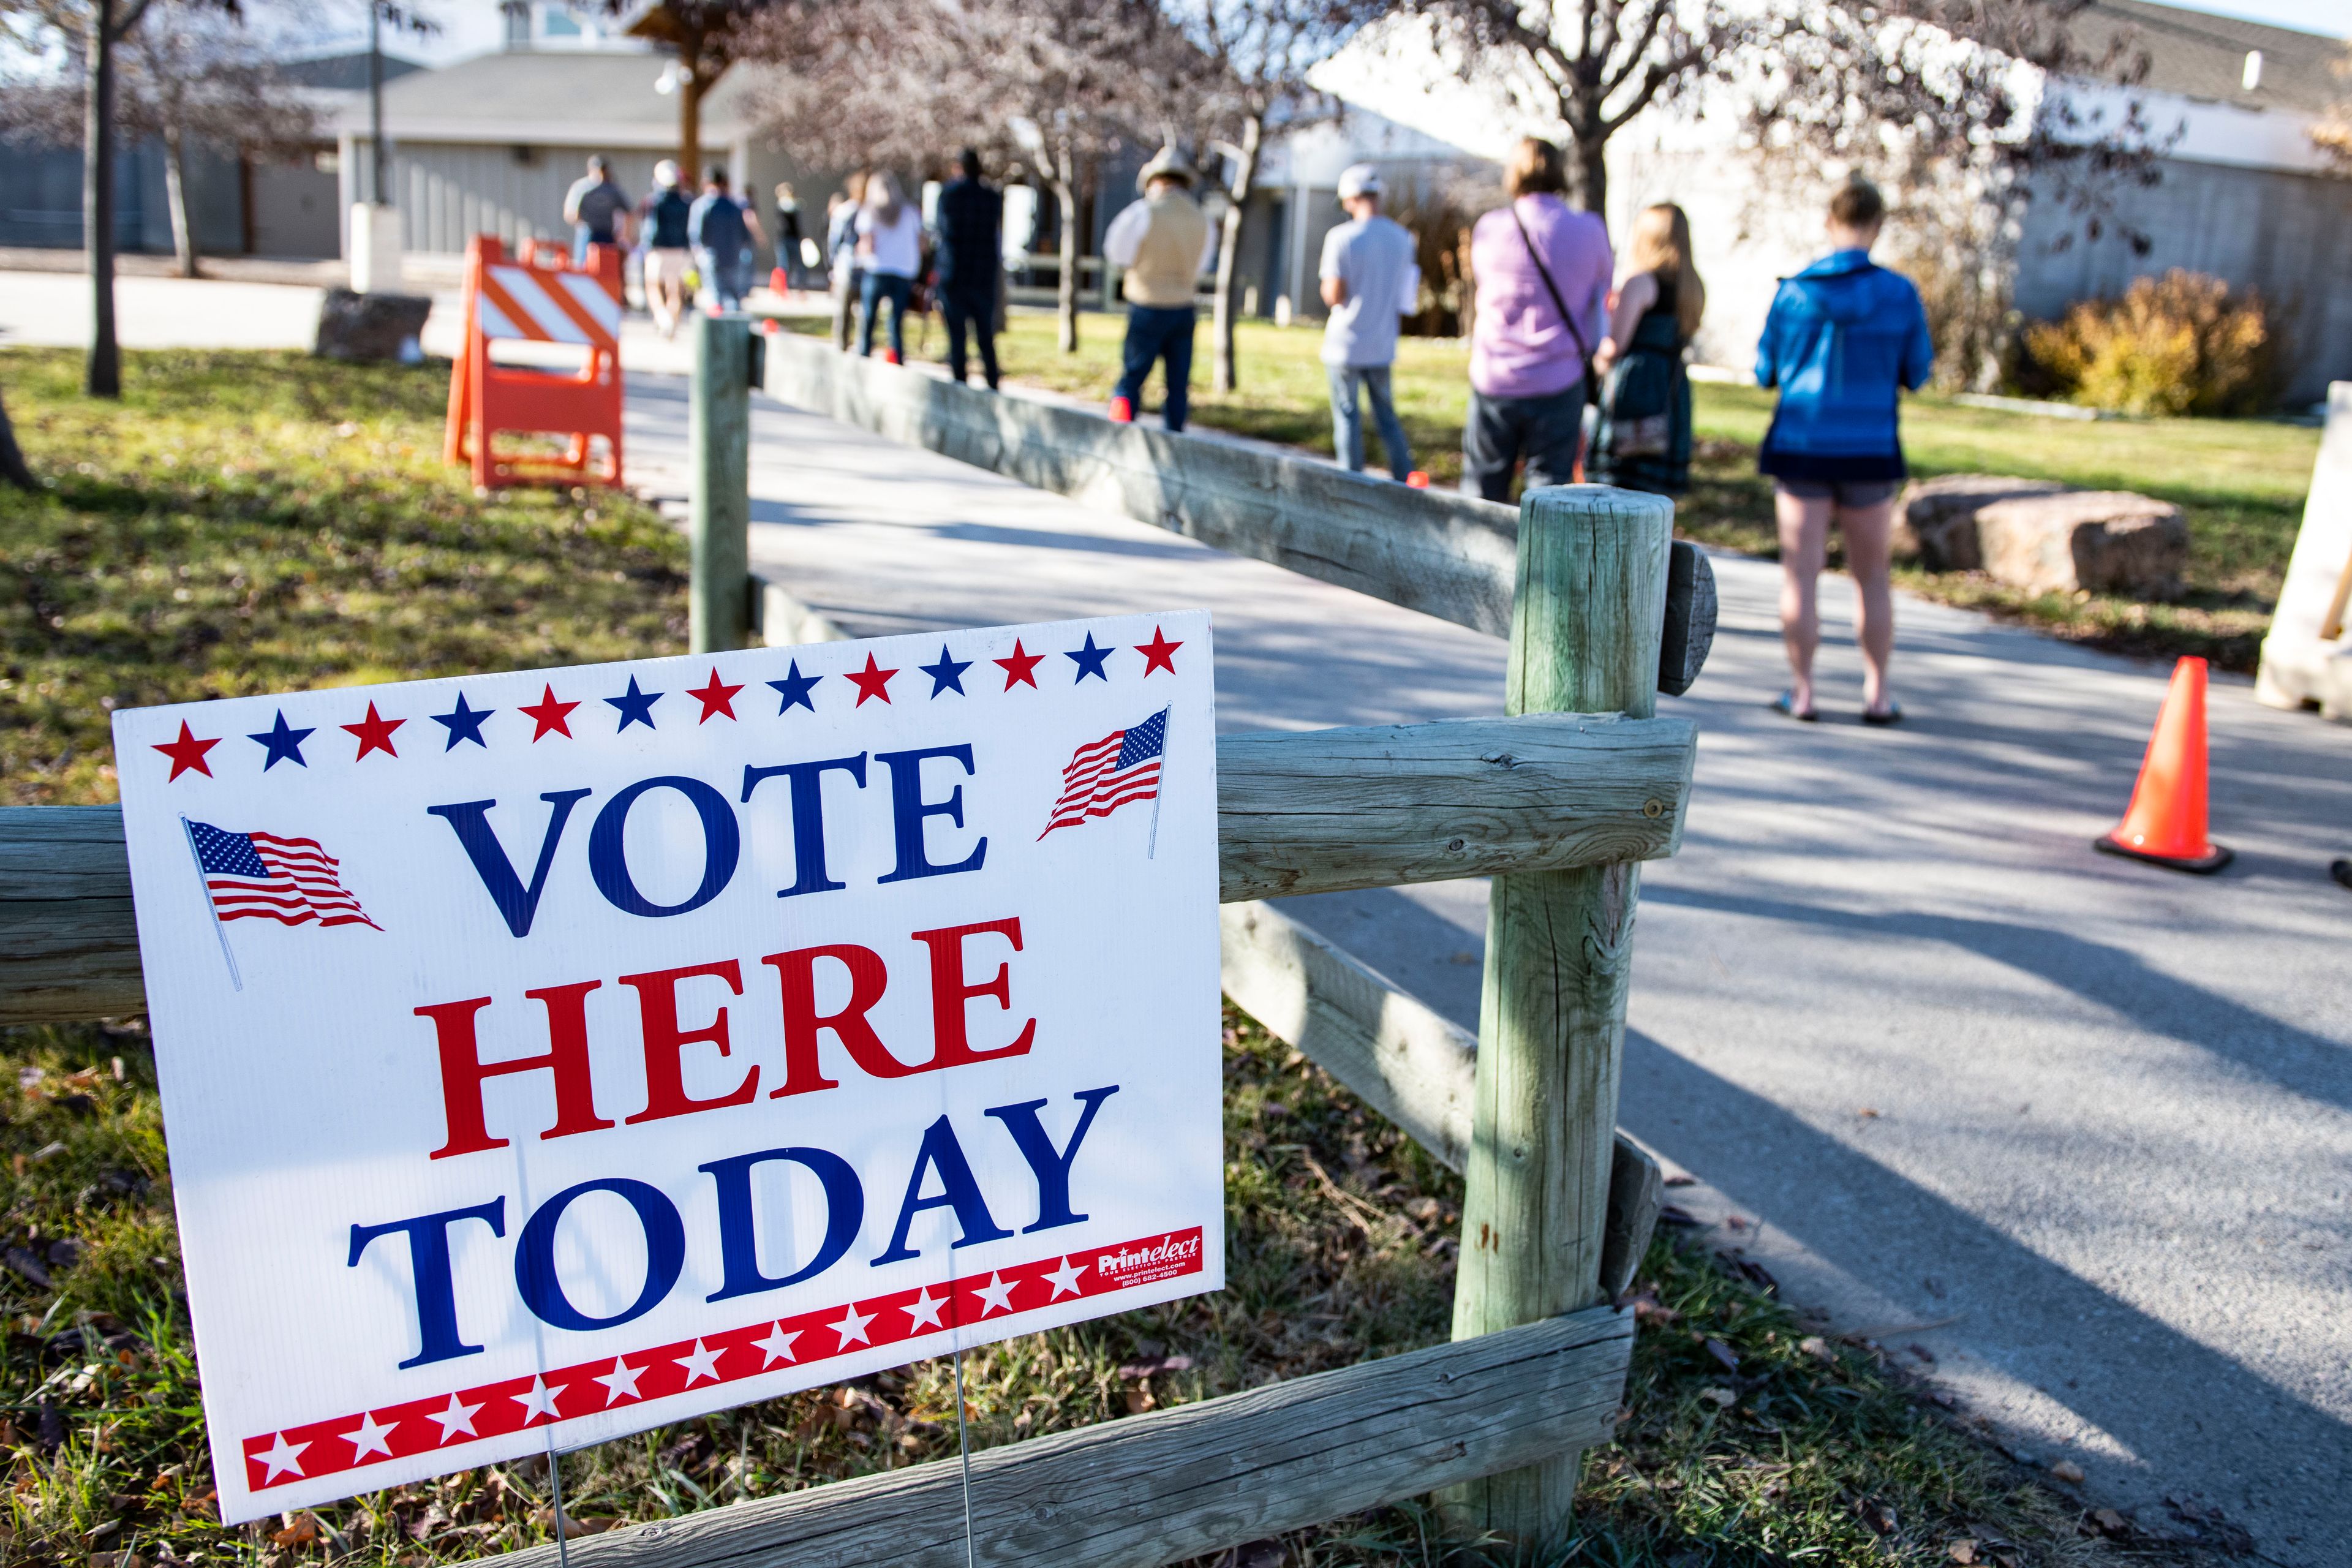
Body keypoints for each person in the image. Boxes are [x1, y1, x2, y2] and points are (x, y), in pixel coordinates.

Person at [1754, 175, 1932, 725]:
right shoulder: (1900, 295)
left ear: (1830, 223)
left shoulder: (1794, 293)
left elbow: (1765, 370)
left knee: (1800, 576)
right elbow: (1918, 372)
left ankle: (1803, 692)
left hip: (1803, 445)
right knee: (1872, 577)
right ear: (1877, 226)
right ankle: (1876, 695)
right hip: (1870, 450)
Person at [1460, 137, 1613, 503]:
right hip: (1559, 378)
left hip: (1495, 376)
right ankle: (1540, 562)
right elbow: (1601, 298)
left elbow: (1484, 285)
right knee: (1550, 497)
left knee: (1482, 492)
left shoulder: (1489, 228)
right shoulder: (1589, 230)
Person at [1589, 203, 1704, 496]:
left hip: (1638, 386)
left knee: (1621, 484)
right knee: (1654, 494)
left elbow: (1616, 346)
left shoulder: (1641, 282)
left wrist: (1595, 361)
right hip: (1671, 387)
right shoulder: (1692, 286)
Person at [1318, 163, 1421, 481]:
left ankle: (1352, 484)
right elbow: (1407, 298)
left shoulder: (1341, 237)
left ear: (1350, 199)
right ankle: (1404, 480)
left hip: (1345, 344)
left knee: (1348, 417)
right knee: (1387, 417)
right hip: (1382, 342)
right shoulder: (1403, 238)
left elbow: (1333, 294)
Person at [1103, 148, 1215, 431]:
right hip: (1184, 306)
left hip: (1147, 303)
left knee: (1132, 376)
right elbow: (1203, 263)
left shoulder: (1143, 211)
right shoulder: (1202, 219)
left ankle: (1119, 432)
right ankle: (1175, 439)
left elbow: (1116, 252)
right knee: (1177, 385)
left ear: (1155, 180)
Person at [933, 147, 1003, 389]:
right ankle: (992, 382)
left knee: (957, 336)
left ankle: (960, 383)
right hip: (982, 275)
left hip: (956, 275)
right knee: (985, 335)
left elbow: (943, 232)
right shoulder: (992, 198)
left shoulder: (949, 196)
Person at [856, 171, 923, 362]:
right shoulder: (910, 212)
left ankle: (864, 355)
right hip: (903, 271)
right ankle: (897, 358)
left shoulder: (869, 211)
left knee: (868, 319)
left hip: (877, 269)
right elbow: (920, 243)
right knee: (895, 322)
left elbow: (866, 246)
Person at [688, 166, 764, 313]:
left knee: (715, 298)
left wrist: (698, 253)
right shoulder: (735, 206)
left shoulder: (702, 205)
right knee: (733, 297)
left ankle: (719, 331)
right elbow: (745, 236)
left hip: (711, 257)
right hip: (733, 257)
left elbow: (696, 234)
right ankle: (734, 328)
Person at [637, 160, 694, 337]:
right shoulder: (687, 202)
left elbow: (649, 227)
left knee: (653, 286)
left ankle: (663, 318)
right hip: (681, 250)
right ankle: (671, 323)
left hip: (659, 250)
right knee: (676, 289)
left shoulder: (654, 201)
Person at [564, 155, 631, 265]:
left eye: (603, 170)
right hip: (588, 233)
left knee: (608, 268)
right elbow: (571, 214)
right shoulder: (583, 188)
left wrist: (625, 236)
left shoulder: (612, 189)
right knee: (585, 267)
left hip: (608, 234)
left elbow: (628, 212)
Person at [829, 171, 869, 351]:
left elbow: (833, 243)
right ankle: (858, 347)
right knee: (861, 313)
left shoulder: (846, 211)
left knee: (844, 313)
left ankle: (843, 347)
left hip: (849, 266)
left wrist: (833, 265)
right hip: (858, 266)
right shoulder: (858, 211)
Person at [773, 182, 805, 289]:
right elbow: (787, 207)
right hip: (783, 239)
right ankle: (782, 288)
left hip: (795, 238)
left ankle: (800, 287)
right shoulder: (782, 205)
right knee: (783, 266)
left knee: (799, 265)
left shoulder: (795, 205)